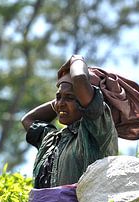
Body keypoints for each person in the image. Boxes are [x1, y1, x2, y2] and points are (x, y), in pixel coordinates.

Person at [21, 55, 118, 189]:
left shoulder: (97, 128)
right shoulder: (52, 140)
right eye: (58, 97)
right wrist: (61, 100)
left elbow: (79, 78)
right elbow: (28, 120)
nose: (60, 104)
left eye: (70, 97)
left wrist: (76, 59)